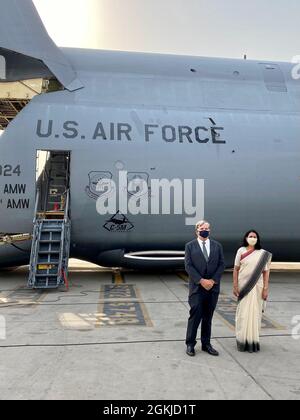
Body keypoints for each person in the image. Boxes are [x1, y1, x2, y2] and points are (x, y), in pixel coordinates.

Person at [185, 220, 225, 357]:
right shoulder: (190, 246)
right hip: (197, 288)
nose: (205, 230)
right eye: (202, 228)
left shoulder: (217, 246)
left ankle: (206, 344)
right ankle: (190, 343)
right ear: (197, 230)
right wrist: (201, 281)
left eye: (207, 228)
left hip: (212, 288)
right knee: (195, 316)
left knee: (208, 317)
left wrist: (213, 280)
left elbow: (221, 264)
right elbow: (188, 266)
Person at [233, 230, 272, 353]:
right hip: (244, 287)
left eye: (255, 236)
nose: (252, 238)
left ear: (258, 239)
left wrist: (265, 288)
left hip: (258, 287)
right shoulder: (241, 251)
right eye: (250, 236)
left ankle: (253, 342)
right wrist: (235, 286)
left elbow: (265, 273)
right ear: (246, 238)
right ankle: (242, 341)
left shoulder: (262, 254)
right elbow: (236, 269)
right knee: (243, 314)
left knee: (255, 314)